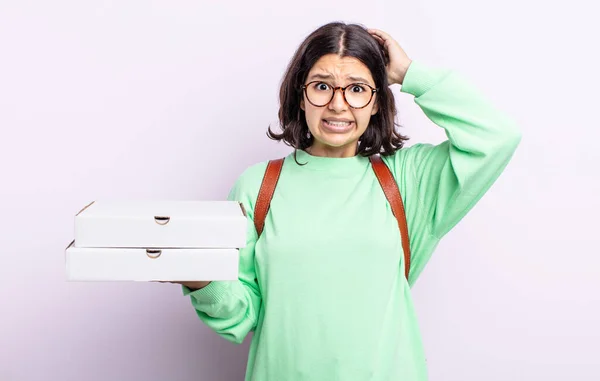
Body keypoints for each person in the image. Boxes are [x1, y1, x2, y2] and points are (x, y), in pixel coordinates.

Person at [173, 21, 521, 380]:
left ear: (376, 102)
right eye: (322, 86)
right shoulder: (259, 186)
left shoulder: (407, 182)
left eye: (357, 89)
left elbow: (496, 136)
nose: (338, 105)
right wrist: (202, 280)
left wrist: (408, 73)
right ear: (300, 94)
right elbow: (242, 315)